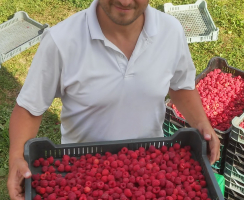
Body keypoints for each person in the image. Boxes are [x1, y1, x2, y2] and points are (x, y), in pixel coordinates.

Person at [7, 0, 220, 199]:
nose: (126, 2)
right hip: (81, 170)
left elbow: (181, 87)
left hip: (149, 161)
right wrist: (16, 156)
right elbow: (29, 108)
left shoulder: (170, 31)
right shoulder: (61, 40)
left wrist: (202, 123)